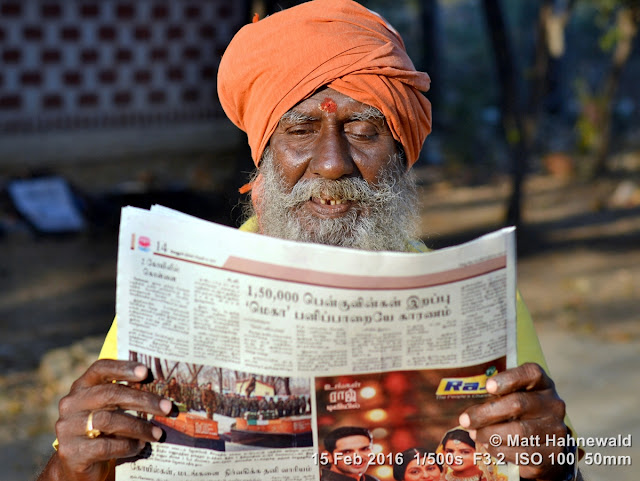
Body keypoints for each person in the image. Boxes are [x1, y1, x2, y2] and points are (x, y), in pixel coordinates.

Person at [36, 1, 579, 480]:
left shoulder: (482, 304)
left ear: (400, 153)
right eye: (300, 131)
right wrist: (75, 467)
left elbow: (538, 465)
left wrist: (552, 466)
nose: (331, 163)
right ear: (265, 153)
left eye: (365, 131)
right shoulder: (174, 295)